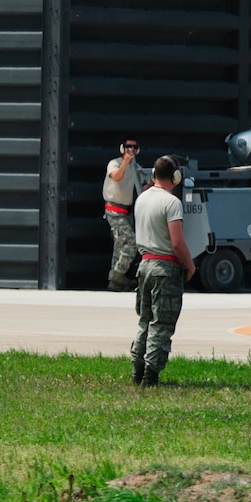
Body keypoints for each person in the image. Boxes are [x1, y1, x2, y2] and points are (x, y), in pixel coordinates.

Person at [130, 156, 195, 386]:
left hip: (144, 266)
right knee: (161, 323)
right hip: (164, 269)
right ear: (175, 176)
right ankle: (150, 375)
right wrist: (190, 265)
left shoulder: (141, 199)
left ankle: (137, 370)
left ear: (153, 174)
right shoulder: (171, 203)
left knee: (145, 321)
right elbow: (177, 243)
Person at [103, 139, 148, 290]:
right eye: (128, 146)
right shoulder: (114, 163)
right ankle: (118, 274)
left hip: (126, 211)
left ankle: (114, 281)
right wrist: (126, 162)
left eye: (134, 147)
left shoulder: (136, 167)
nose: (131, 149)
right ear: (122, 148)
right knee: (131, 241)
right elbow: (116, 177)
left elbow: (144, 183)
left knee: (120, 245)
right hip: (114, 210)